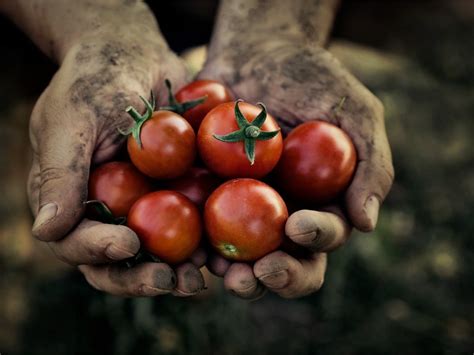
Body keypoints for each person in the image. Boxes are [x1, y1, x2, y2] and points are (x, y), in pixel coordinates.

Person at [0, 0, 393, 299]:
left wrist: (274, 30)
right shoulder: (220, 134)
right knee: (44, 136)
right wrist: (95, 30)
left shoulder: (226, 137)